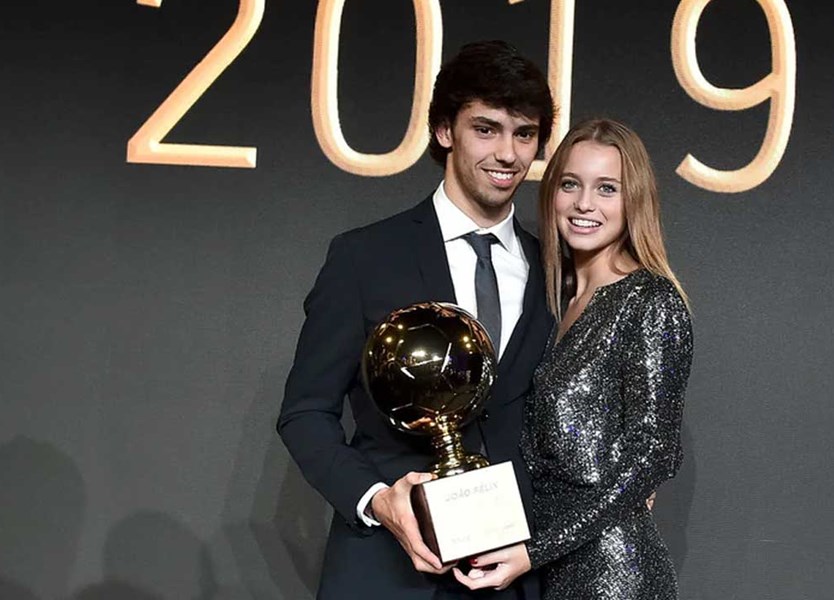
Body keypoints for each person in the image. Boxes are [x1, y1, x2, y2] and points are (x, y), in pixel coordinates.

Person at [278, 41, 555, 599]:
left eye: (524, 134)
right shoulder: (364, 258)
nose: (507, 153)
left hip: (513, 579)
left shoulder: (557, 271)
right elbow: (305, 412)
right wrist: (377, 498)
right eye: (486, 128)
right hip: (388, 571)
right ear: (444, 131)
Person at [453, 118, 694, 599]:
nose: (585, 204)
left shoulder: (650, 300)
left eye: (607, 188)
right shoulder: (553, 300)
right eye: (570, 184)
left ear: (634, 201)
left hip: (613, 571)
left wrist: (533, 551)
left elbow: (654, 453)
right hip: (549, 569)